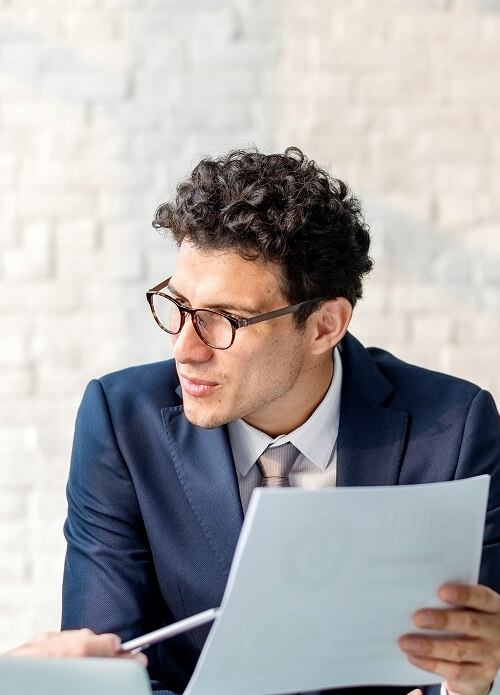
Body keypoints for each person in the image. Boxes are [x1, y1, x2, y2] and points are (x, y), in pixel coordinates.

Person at [61, 147, 500, 695]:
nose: (185, 348)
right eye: (177, 305)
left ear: (324, 326)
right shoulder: (121, 423)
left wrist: (474, 682)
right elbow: (100, 675)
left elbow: (463, 664)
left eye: (224, 320)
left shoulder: (456, 429)